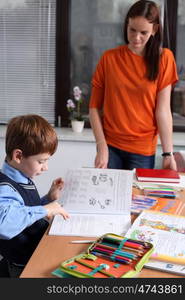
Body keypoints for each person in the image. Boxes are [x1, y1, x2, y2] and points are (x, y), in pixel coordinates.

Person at [89, 0, 178, 171]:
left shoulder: (164, 59)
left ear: (155, 30)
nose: (137, 38)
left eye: (143, 32)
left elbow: (163, 111)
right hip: (110, 147)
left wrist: (168, 154)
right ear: (126, 26)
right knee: (108, 197)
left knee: (138, 198)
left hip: (142, 150)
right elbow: (94, 108)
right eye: (132, 30)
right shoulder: (109, 59)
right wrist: (101, 145)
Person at [0, 114, 69, 277]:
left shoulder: (23, 175)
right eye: (41, 161)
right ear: (18, 156)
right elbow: (4, 225)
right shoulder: (5, 188)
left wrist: (48, 198)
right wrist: (45, 210)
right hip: (22, 266)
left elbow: (25, 209)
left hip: (36, 251)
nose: (45, 168)